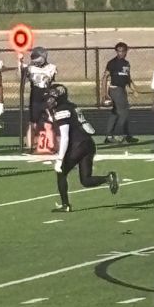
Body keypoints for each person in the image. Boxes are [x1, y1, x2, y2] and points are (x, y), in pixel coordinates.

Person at [44, 83, 118, 213]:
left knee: (61, 172)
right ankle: (108, 178)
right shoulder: (71, 106)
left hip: (78, 145)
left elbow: (65, 137)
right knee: (86, 180)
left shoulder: (62, 110)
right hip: (88, 143)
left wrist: (60, 159)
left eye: (52, 97)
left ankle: (65, 205)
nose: (49, 100)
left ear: (58, 97)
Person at [22, 46, 57, 152]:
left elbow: (50, 79)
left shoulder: (51, 67)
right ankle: (30, 146)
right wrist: (20, 64)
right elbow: (22, 78)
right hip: (35, 98)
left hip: (47, 97)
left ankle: (51, 145)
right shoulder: (30, 68)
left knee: (49, 123)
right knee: (33, 123)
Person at [102, 42, 138, 145]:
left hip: (122, 90)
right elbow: (104, 78)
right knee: (124, 112)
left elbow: (128, 79)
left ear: (126, 51)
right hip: (116, 90)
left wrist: (134, 89)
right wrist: (104, 94)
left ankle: (109, 136)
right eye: (119, 51)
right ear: (116, 51)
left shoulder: (126, 63)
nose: (121, 53)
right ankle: (123, 135)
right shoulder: (112, 63)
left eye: (123, 51)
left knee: (115, 113)